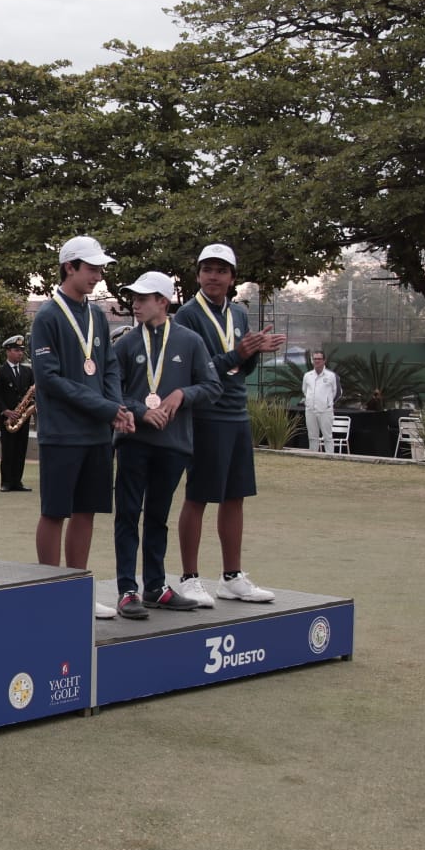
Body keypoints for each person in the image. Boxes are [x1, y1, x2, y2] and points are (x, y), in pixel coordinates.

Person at [28, 235, 134, 620]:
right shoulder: (48, 317)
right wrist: (106, 407)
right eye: (91, 269)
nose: (98, 276)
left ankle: (77, 590)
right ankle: (49, 591)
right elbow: (51, 379)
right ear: (69, 267)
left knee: (86, 510)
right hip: (62, 431)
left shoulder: (97, 316)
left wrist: (117, 406)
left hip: (96, 431)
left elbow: (108, 367)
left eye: (100, 269)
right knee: (55, 511)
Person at [174, 243, 285, 606]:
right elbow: (200, 370)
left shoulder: (238, 314)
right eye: (207, 269)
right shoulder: (187, 315)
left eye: (221, 270)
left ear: (233, 278)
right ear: (198, 274)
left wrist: (253, 352)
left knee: (235, 495)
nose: (213, 276)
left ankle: (231, 577)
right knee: (199, 495)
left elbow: (242, 368)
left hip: (237, 411)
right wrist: (239, 352)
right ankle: (189, 578)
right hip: (205, 414)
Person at [109, 272, 221, 620]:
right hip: (134, 442)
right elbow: (112, 391)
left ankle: (155, 587)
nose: (135, 304)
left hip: (173, 445)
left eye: (143, 298)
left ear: (163, 301)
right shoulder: (126, 344)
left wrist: (181, 395)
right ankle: (128, 589)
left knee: (157, 517)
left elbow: (212, 386)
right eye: (134, 298)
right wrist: (142, 411)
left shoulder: (190, 342)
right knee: (128, 514)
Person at [0, 334, 34, 492]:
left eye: (21, 350)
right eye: (16, 350)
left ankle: (18, 481)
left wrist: (29, 407)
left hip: (22, 417)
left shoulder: (27, 372)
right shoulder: (0, 372)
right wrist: (6, 411)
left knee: (21, 450)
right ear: (8, 352)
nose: (20, 353)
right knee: (8, 450)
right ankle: (6, 481)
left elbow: (32, 392)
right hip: (8, 418)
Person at [302, 350, 340, 453]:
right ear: (312, 361)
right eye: (315, 359)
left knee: (327, 436)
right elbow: (305, 391)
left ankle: (330, 458)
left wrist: (328, 403)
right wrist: (310, 402)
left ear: (324, 361)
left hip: (325, 411)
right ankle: (313, 457)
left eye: (319, 359)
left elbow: (336, 392)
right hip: (310, 410)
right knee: (312, 436)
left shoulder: (331, 376)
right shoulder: (307, 376)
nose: (317, 361)